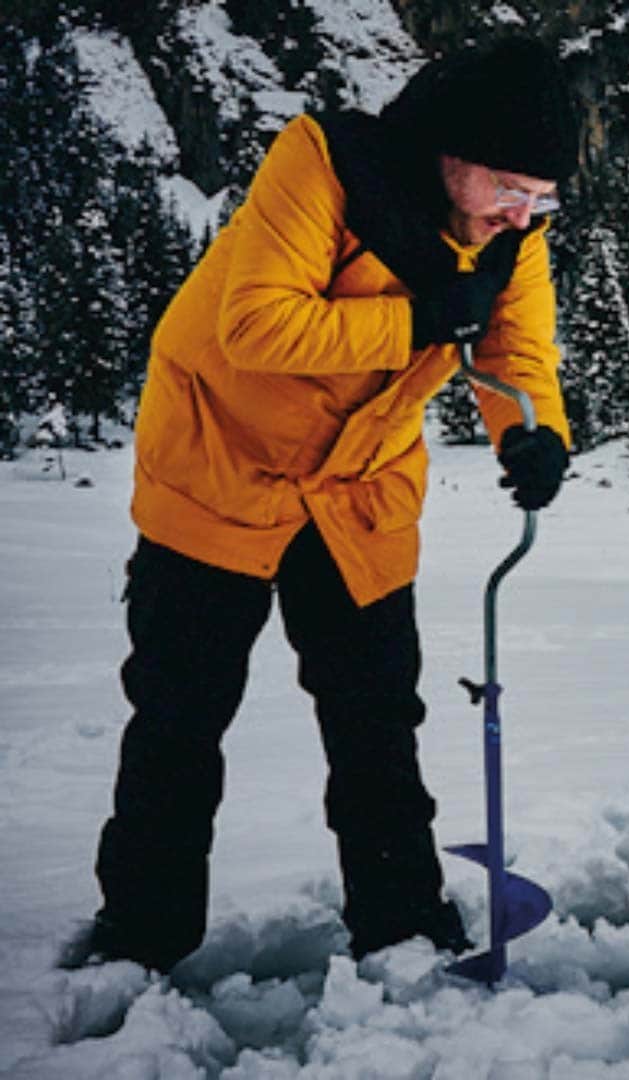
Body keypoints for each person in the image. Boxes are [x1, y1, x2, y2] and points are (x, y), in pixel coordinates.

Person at [60, 36, 579, 973]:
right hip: (221, 465)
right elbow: (255, 323)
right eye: (510, 187)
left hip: (358, 487)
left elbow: (514, 353)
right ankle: (139, 937)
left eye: (541, 198)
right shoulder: (322, 167)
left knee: (377, 717)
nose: (524, 213)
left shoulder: (514, 235)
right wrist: (420, 318)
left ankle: (402, 926)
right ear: (449, 154)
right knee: (181, 717)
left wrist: (533, 435)